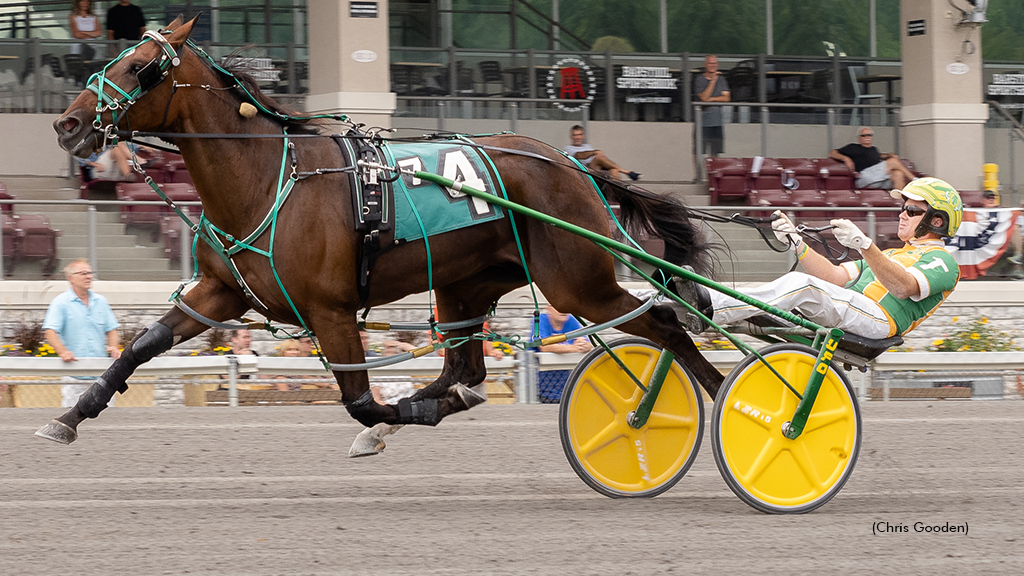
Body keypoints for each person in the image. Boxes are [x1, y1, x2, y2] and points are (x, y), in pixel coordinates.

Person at [665, 178, 962, 341]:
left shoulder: (944, 262)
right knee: (792, 286)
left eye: (912, 211)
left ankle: (711, 312)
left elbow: (903, 288)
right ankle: (663, 301)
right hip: (855, 308)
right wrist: (797, 242)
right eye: (903, 208)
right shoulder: (892, 255)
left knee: (800, 285)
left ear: (936, 221)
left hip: (880, 321)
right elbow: (833, 278)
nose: (902, 214)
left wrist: (865, 245)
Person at [43, 258, 121, 408]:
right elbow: (50, 331)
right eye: (84, 273)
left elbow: (111, 329)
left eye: (90, 273)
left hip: (102, 376)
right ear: (71, 278)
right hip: (75, 376)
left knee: (107, 418)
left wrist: (113, 347)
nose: (89, 276)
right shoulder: (60, 303)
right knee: (73, 417)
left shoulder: (101, 302)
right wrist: (62, 351)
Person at [534, 305, 593, 403]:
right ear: (549, 309)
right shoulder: (540, 320)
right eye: (558, 306)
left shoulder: (570, 320)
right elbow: (543, 345)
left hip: (565, 391)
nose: (564, 310)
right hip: (539, 390)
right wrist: (572, 348)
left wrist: (585, 346)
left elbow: (586, 343)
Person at [829, 127, 917, 190]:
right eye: (864, 135)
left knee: (898, 174)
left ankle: (900, 204)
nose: (867, 137)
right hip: (864, 177)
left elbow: (879, 156)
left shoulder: (874, 149)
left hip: (877, 179)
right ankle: (915, 181)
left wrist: (889, 155)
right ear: (859, 138)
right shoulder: (853, 147)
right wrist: (846, 159)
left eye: (869, 135)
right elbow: (832, 153)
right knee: (893, 162)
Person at [564, 125, 641, 181]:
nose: (577, 137)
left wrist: (597, 153)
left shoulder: (588, 146)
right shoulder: (568, 148)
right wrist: (595, 152)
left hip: (598, 170)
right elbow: (579, 155)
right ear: (571, 137)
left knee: (614, 170)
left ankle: (619, 194)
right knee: (597, 157)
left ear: (583, 136)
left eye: (580, 135)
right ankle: (627, 172)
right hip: (585, 172)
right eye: (575, 135)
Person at [694, 55, 730, 157]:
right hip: (703, 123)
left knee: (715, 153)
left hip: (717, 121)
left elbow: (726, 98)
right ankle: (699, 173)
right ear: (705, 65)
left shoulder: (722, 80)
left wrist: (711, 99)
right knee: (699, 153)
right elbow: (703, 98)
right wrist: (713, 81)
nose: (713, 65)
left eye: (715, 63)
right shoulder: (699, 80)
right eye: (710, 63)